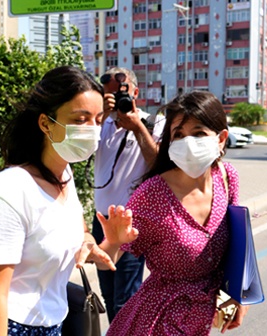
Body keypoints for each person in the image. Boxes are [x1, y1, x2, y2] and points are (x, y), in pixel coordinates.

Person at [0, 66, 137, 335]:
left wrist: (109, 241)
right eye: (80, 119)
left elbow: (79, 237)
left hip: (54, 323)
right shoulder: (8, 192)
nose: (92, 130)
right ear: (46, 123)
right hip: (13, 327)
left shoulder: (64, 175)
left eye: (97, 119)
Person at [101, 91, 249, 335]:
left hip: (201, 320)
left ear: (221, 138)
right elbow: (107, 259)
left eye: (199, 133)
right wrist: (114, 241)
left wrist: (236, 297)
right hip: (157, 321)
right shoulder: (152, 194)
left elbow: (235, 248)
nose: (188, 142)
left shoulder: (226, 177)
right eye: (178, 135)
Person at [90, 67, 165, 322]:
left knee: (126, 298)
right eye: (109, 95)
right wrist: (101, 116)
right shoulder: (99, 123)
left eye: (121, 93)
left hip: (132, 223)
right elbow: (80, 155)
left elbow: (158, 164)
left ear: (135, 92)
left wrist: (136, 128)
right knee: (109, 295)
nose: (117, 99)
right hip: (102, 222)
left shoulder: (154, 123)